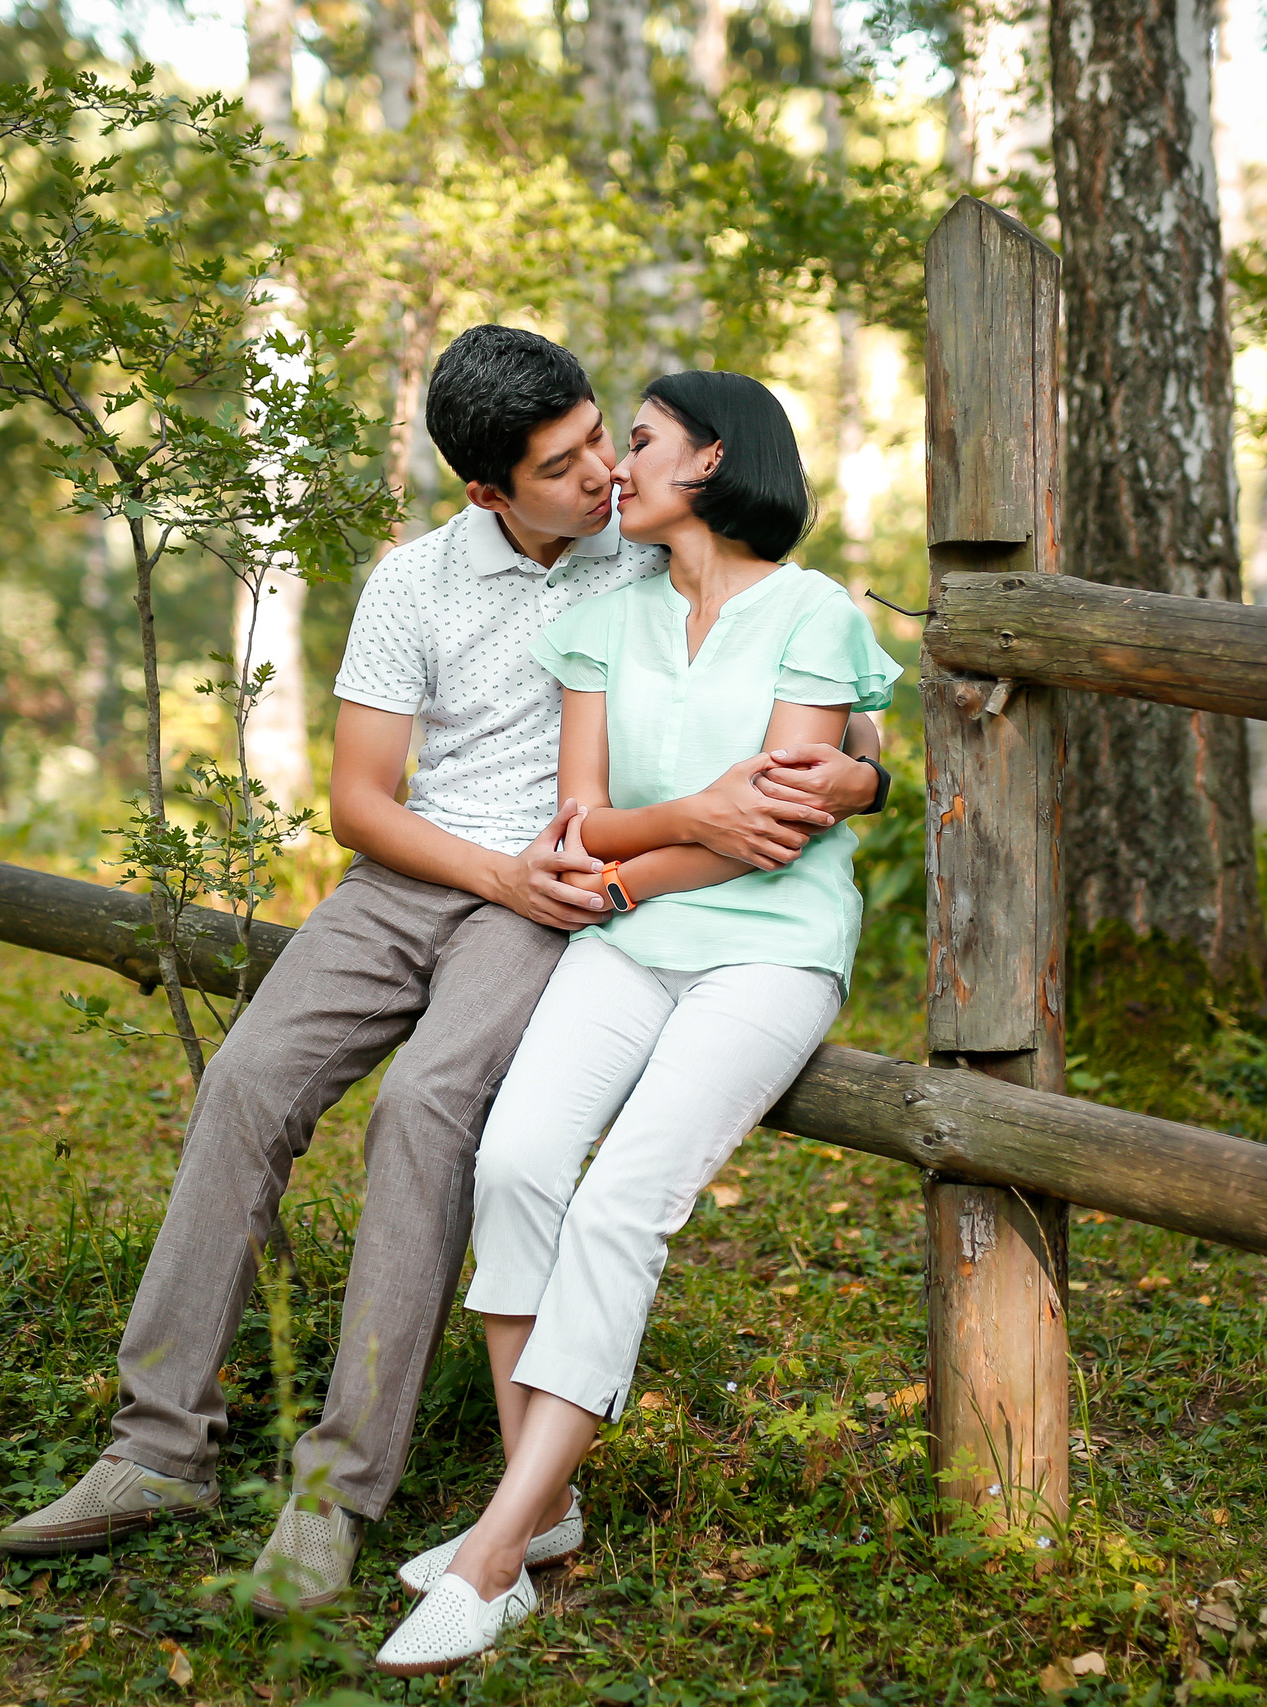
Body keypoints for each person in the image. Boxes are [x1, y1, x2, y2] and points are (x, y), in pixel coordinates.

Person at [0, 329, 890, 1617]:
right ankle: (154, 1450)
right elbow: (362, 803)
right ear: (486, 490)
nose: (598, 476)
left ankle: (335, 1494)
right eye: (563, 462)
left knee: (427, 1111)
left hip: (554, 901)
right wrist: (495, 873)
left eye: (602, 439)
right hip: (421, 880)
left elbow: (809, 668)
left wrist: (864, 771)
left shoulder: (646, 532)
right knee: (247, 1079)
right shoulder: (415, 584)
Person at [371, 371, 899, 1675]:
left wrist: (623, 865)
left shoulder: (813, 614)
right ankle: (542, 1509)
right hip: (624, 947)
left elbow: (771, 838)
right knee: (515, 1163)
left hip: (769, 957)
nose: (618, 467)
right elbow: (581, 818)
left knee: (620, 1208)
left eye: (642, 441)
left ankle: (493, 1558)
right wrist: (646, 845)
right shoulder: (606, 619)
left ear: (714, 462)